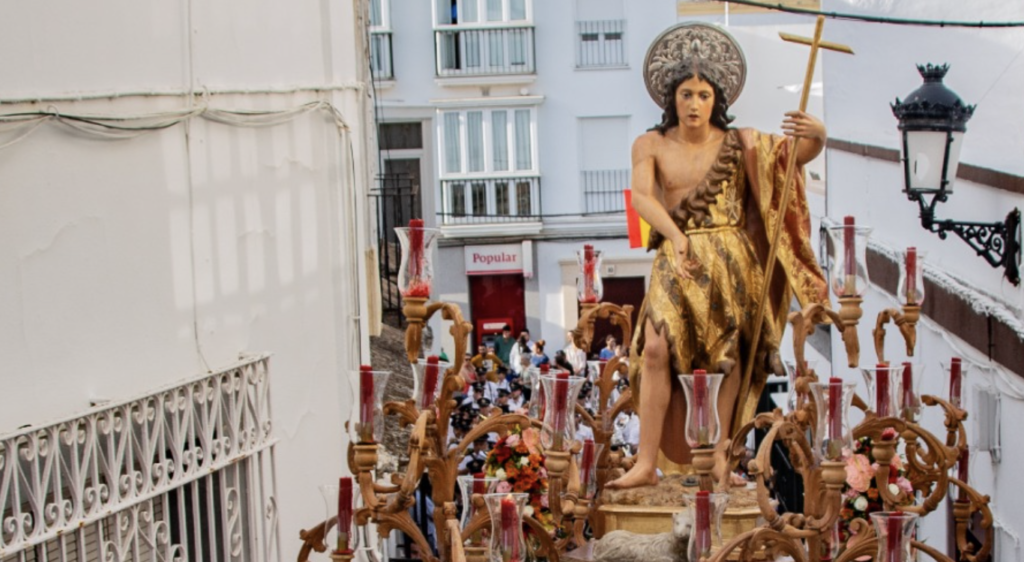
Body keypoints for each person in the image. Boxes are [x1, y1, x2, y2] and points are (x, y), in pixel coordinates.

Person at [607, 24, 828, 489]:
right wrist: (676, 236)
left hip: (731, 261)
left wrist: (818, 135)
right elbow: (643, 199)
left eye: (703, 94)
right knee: (654, 350)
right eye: (686, 93)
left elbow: (792, 160)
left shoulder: (741, 141)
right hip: (676, 257)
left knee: (727, 358)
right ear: (671, 98)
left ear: (716, 99)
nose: (693, 104)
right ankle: (646, 462)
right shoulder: (650, 144)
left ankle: (723, 456)